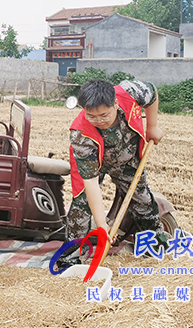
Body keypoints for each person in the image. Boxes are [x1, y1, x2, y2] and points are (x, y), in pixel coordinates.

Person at [66, 79, 167, 249]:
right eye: (91, 116)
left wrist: (152, 126)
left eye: (104, 115)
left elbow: (152, 93)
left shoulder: (130, 92)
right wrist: (101, 224)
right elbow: (90, 182)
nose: (99, 121)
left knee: (143, 202)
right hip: (93, 163)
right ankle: (70, 256)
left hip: (126, 158)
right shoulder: (80, 135)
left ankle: (155, 247)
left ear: (115, 103)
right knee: (81, 208)